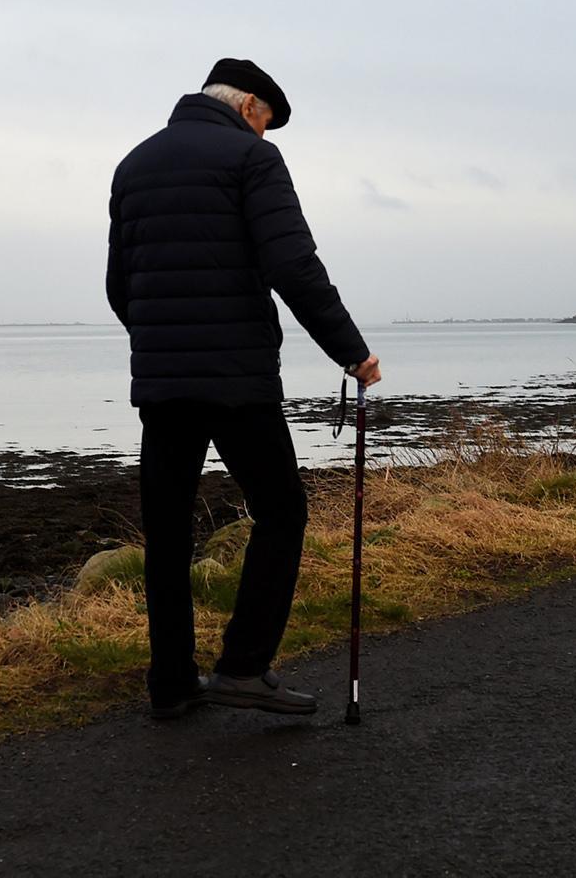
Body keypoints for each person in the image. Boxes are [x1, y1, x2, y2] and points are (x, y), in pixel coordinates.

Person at [106, 58, 382, 719]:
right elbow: (292, 264)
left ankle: (171, 683)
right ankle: (243, 667)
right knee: (282, 511)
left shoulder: (134, 165)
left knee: (168, 534)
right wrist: (352, 352)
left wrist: (162, 342)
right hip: (236, 379)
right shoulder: (252, 160)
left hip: (163, 382)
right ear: (250, 107)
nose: (264, 134)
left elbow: (121, 286)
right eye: (265, 122)